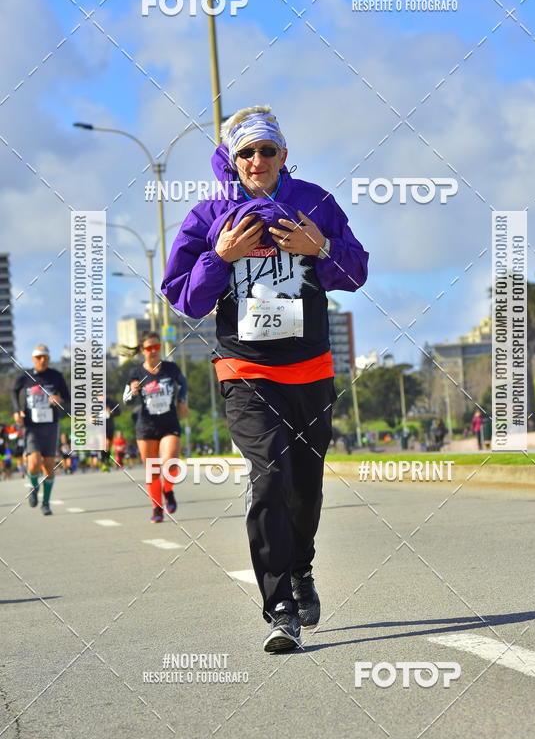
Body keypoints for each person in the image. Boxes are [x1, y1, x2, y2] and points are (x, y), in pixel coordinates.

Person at [162, 105, 368, 653]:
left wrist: (319, 249)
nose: (257, 160)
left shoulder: (315, 202)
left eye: (267, 150)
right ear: (233, 159)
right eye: (246, 152)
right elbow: (183, 298)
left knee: (305, 485)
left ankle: (301, 568)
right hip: (246, 370)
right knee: (270, 474)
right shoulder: (208, 215)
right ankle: (280, 607)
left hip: (311, 367)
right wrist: (218, 256)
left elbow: (357, 271)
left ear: (283, 155)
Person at [123, 331, 188, 522]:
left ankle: (168, 490)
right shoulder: (135, 373)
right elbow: (125, 400)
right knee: (152, 470)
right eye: (150, 348)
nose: (154, 351)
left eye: (157, 347)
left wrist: (182, 400)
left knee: (171, 463)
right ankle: (157, 509)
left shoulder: (170, 368)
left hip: (169, 422)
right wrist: (132, 391)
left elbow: (183, 384)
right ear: (143, 350)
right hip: (146, 425)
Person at [12, 344, 70, 516]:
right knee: (34, 462)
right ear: (33, 359)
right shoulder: (26, 376)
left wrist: (58, 398)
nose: (42, 360)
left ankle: (46, 503)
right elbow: (14, 391)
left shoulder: (56, 376)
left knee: (49, 465)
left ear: (49, 358)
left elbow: (67, 397)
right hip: (32, 425)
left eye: (45, 357)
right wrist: (17, 410)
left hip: (51, 424)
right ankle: (33, 486)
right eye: (39, 357)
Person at [101, 396, 121, 471]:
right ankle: (103, 461)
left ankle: (106, 460)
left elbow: (118, 412)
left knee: (108, 444)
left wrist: (112, 412)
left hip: (109, 425)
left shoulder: (111, 402)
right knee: (102, 443)